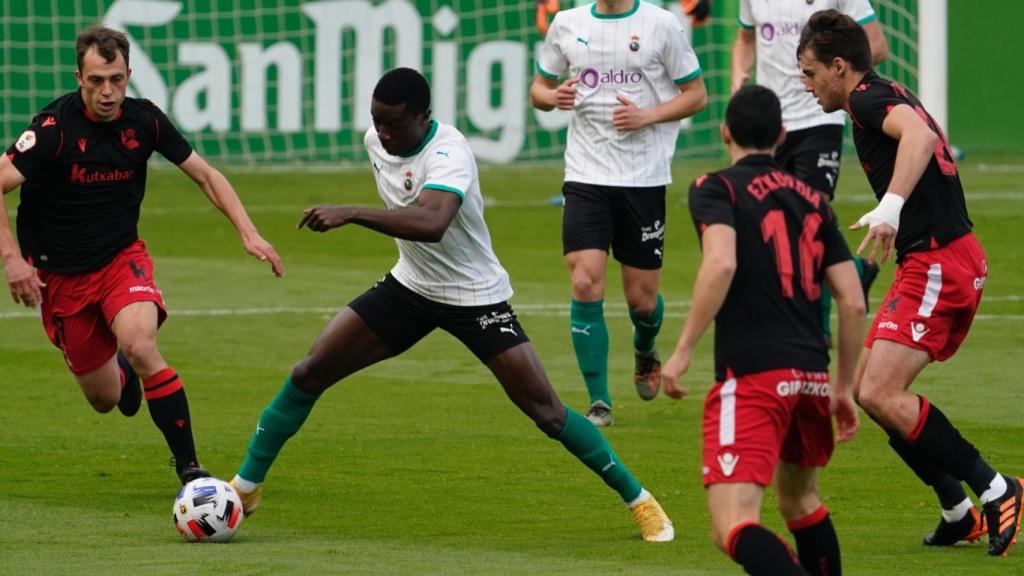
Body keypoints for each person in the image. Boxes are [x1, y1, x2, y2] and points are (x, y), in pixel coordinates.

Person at [227, 67, 675, 543]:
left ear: (425, 117)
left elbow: (433, 221)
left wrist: (351, 212)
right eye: (377, 121)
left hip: (474, 296)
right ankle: (246, 487)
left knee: (546, 412)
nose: (383, 133)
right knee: (308, 372)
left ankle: (641, 501)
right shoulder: (376, 140)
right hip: (411, 287)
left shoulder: (450, 153)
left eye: (395, 124)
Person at [0, 26, 283, 485]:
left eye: (115, 79)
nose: (107, 92)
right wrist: (12, 261)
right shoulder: (52, 130)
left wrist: (248, 233)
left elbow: (205, 175)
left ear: (129, 74)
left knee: (141, 343)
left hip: (120, 260)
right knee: (104, 399)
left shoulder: (145, 121)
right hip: (61, 276)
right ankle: (123, 375)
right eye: (96, 81)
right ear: (79, 77)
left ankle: (191, 471)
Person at [797, 10, 1022, 556]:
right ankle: (958, 511)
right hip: (932, 259)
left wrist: (891, 209)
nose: (804, 85)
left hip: (942, 262)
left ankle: (999, 489)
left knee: (876, 391)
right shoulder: (874, 93)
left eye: (808, 72)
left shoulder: (869, 99)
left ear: (838, 66)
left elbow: (920, 136)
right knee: (862, 391)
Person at [660, 85, 865, 575]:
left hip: (754, 375)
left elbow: (722, 262)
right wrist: (843, 388)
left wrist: (684, 347)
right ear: (781, 135)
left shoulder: (716, 187)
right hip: (812, 375)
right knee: (801, 501)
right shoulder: (815, 199)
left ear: (724, 131)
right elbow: (853, 300)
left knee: (731, 524)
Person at [530, 0, 708, 426]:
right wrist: (553, 97)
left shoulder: (661, 24)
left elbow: (697, 95)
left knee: (642, 301)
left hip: (643, 177)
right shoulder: (567, 23)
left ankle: (645, 348)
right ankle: (599, 401)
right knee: (585, 280)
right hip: (585, 174)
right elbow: (538, 90)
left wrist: (647, 116)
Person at [731, 0, 888, 349]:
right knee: (777, 220)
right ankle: (852, 272)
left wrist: (830, 74)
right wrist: (739, 73)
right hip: (772, 122)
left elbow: (876, 46)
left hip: (820, 117)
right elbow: (745, 39)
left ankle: (816, 331)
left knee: (808, 217)